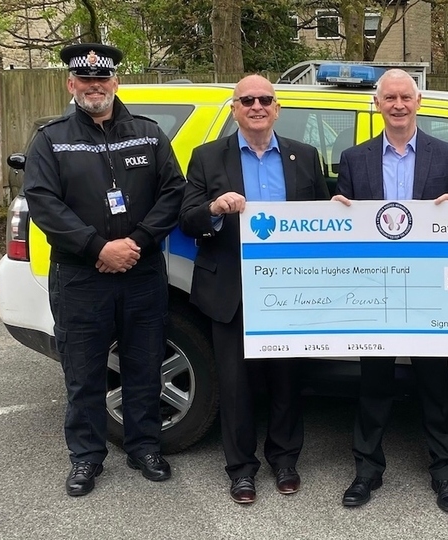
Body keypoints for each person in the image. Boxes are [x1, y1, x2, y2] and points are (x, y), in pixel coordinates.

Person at [23, 43, 185, 497]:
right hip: (81, 277)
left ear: (115, 82)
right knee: (84, 371)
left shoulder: (149, 134)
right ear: (72, 85)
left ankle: (144, 447)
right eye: (86, 81)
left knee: (144, 364)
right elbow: (44, 203)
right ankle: (86, 458)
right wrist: (97, 247)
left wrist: (136, 242)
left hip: (141, 271)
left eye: (103, 80)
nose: (95, 87)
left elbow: (173, 192)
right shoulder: (50, 138)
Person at [178, 75, 330, 504]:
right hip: (232, 290)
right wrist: (212, 208)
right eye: (248, 100)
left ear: (277, 108)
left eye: (265, 99)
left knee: (287, 382)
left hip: (291, 291)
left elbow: (322, 219)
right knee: (236, 384)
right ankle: (241, 470)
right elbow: (187, 218)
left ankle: (285, 461)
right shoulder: (207, 157)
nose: (257, 106)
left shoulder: (305, 156)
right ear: (234, 109)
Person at [331, 68, 448, 513]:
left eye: (404, 97)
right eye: (388, 97)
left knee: (435, 383)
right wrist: (336, 212)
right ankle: (366, 472)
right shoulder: (354, 158)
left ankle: (445, 474)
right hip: (377, 290)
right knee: (373, 383)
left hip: (428, 291)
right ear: (377, 104)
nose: (397, 104)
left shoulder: (445, 155)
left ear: (418, 101)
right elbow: (343, 224)